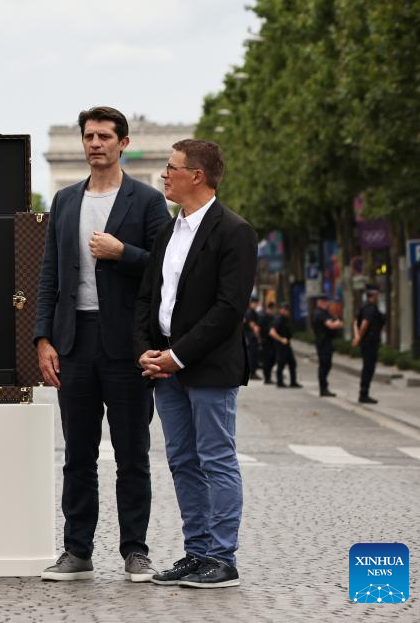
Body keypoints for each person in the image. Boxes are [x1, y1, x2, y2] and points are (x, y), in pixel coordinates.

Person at [35, 106, 170, 583]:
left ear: (123, 143)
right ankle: (77, 551)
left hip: (128, 344)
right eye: (89, 136)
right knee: (78, 455)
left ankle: (136, 551)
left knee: (132, 455)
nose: (95, 144)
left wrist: (122, 253)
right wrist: (43, 337)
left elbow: (165, 267)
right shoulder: (65, 200)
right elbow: (49, 273)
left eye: (105, 137)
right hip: (74, 341)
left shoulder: (148, 201)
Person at [135, 138, 257, 589]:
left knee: (216, 459)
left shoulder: (235, 231)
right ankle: (198, 551)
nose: (164, 175)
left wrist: (177, 356)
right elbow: (147, 298)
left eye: (172, 168)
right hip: (164, 365)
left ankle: (222, 559)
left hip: (207, 367)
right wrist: (145, 350)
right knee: (183, 461)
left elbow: (229, 309)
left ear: (197, 176)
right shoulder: (167, 232)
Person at [353, 285, 384, 404]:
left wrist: (357, 337)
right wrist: (359, 337)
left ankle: (364, 393)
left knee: (367, 367)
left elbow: (355, 322)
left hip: (367, 341)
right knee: (368, 368)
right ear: (374, 294)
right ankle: (364, 394)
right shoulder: (370, 308)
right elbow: (364, 324)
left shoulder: (363, 306)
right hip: (370, 342)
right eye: (377, 293)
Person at [311, 294, 343, 397]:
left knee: (326, 364)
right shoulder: (320, 314)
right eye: (324, 302)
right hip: (323, 342)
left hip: (325, 341)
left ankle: (324, 387)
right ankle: (323, 388)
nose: (327, 304)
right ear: (319, 302)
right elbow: (331, 325)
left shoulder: (323, 313)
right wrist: (337, 323)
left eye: (326, 302)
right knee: (324, 365)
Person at [269, 303, 301, 388]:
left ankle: (293, 382)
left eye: (287, 309)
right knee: (281, 364)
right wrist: (281, 339)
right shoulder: (278, 320)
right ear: (281, 310)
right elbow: (272, 332)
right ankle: (280, 382)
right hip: (280, 346)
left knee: (292, 363)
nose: (286, 311)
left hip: (287, 345)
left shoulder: (287, 319)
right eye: (284, 309)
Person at [259, 300, 278, 384]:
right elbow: (260, 329)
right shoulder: (264, 317)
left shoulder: (273, 317)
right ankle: (267, 378)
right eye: (271, 309)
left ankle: (268, 376)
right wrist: (260, 339)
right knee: (267, 360)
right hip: (266, 341)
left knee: (272, 359)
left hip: (272, 342)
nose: (272, 310)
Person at [244, 297, 261, 380]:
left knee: (253, 355)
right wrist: (258, 337)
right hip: (251, 336)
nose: (256, 305)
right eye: (255, 303)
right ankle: (252, 373)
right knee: (252, 356)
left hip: (250, 336)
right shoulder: (250, 312)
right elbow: (253, 326)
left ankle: (252, 372)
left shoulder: (252, 312)